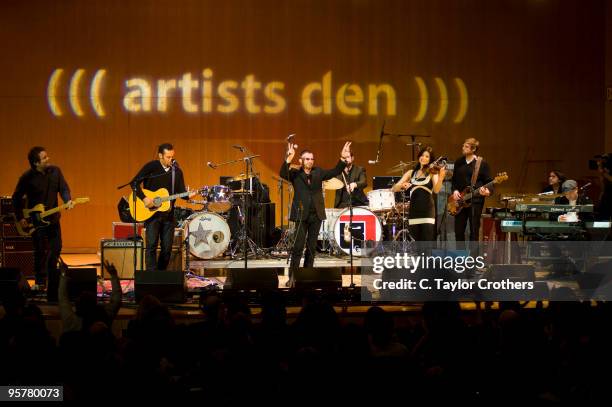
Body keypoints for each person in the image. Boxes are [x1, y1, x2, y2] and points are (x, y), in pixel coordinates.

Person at [280, 141, 351, 281]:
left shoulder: (318, 172)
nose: (310, 161)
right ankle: (292, 278)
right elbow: (283, 173)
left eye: (312, 159)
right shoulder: (295, 173)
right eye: (307, 159)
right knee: (298, 247)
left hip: (316, 215)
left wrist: (342, 159)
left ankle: (307, 276)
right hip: (301, 215)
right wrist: (288, 158)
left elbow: (335, 171)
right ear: (301, 160)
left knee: (312, 248)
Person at [12, 146, 73, 289]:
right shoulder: (27, 177)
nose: (48, 159)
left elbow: (64, 188)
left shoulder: (55, 171)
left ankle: (52, 278)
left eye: (47, 156)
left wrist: (67, 200)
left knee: (56, 248)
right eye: (44, 158)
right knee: (39, 251)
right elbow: (16, 198)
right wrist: (21, 217)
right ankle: (40, 282)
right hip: (36, 221)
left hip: (53, 219)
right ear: (36, 163)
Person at [132, 143, 195, 271]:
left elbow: (181, 192)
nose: (170, 160)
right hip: (152, 214)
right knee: (151, 246)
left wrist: (189, 195)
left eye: (172, 157)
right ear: (160, 155)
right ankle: (151, 275)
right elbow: (134, 183)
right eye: (167, 157)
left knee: (167, 249)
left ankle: (160, 275)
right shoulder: (151, 167)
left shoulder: (176, 172)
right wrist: (144, 198)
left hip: (168, 215)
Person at [392, 146, 445, 241]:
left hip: (428, 211)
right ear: (419, 156)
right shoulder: (411, 173)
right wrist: (402, 184)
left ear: (430, 160)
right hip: (414, 212)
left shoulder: (433, 173)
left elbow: (436, 190)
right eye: (422, 155)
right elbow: (394, 188)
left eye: (427, 156)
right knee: (415, 245)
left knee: (427, 243)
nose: (423, 158)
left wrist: (441, 178)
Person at [450, 138, 494, 248]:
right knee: (458, 231)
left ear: (473, 149)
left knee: (474, 231)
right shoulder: (459, 162)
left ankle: (472, 261)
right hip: (460, 201)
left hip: (476, 201)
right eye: (463, 145)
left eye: (466, 146)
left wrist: (487, 192)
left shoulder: (482, 164)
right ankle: (461, 259)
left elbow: (489, 182)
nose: (463, 148)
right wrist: (455, 191)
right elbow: (454, 180)